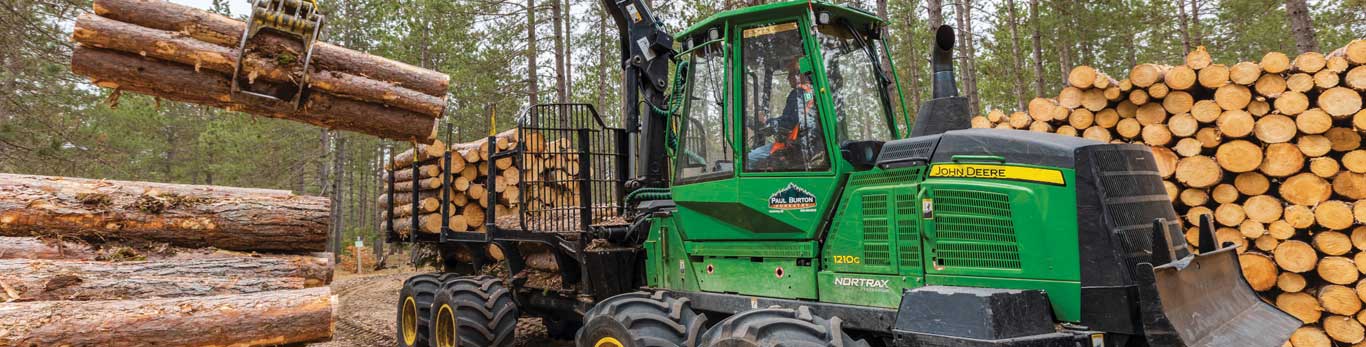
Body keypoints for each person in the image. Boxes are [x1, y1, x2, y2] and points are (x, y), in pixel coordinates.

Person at [747, 57, 817, 169]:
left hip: (792, 146)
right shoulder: (812, 93)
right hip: (805, 145)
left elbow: (789, 122)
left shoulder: (798, 94)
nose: (788, 79)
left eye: (790, 75)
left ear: (798, 75)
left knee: (748, 160)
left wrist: (766, 122)